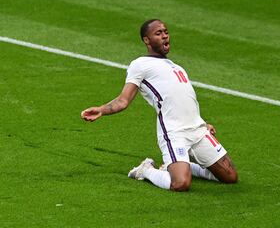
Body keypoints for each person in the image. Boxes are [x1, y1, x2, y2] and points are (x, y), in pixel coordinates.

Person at [81, 19, 238, 192]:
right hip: (173, 132)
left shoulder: (177, 67)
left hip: (197, 129)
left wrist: (203, 123)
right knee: (180, 184)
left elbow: (185, 99)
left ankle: (177, 164)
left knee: (230, 177)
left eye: (166, 32)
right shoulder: (140, 64)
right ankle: (146, 170)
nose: (164, 36)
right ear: (146, 40)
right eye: (158, 33)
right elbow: (123, 101)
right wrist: (102, 110)